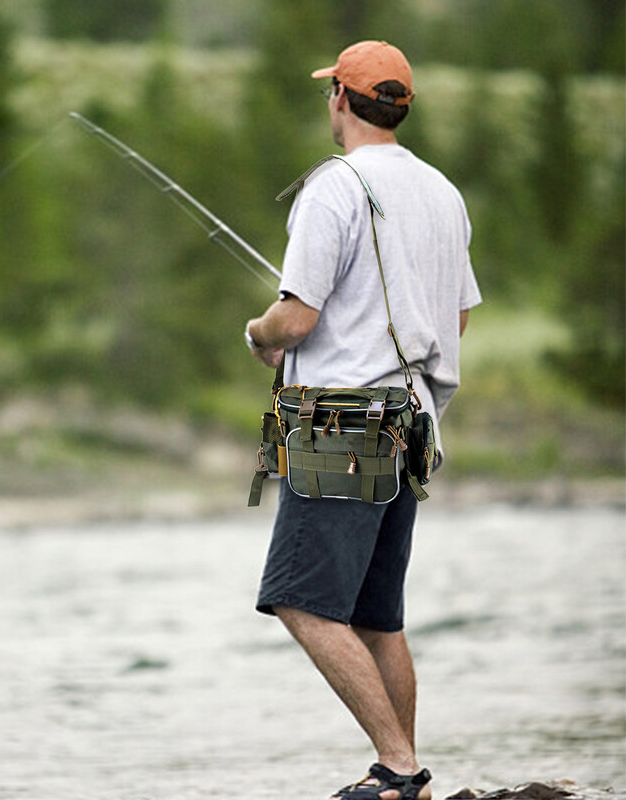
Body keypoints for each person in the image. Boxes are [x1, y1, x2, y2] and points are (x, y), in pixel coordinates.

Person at [244, 41, 482, 800]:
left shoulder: (334, 185)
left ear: (342, 100)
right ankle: (401, 773)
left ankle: (401, 768)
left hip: (342, 422)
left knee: (300, 600)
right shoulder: (443, 192)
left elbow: (297, 316)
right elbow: (460, 320)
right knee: (378, 617)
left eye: (330, 94)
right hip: (413, 421)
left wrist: (257, 334)